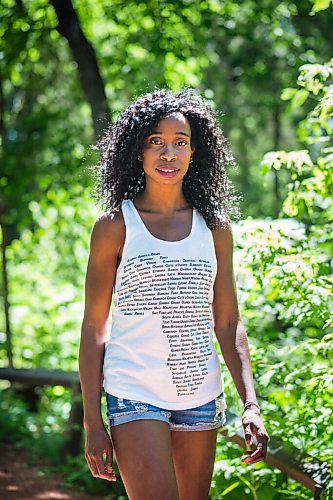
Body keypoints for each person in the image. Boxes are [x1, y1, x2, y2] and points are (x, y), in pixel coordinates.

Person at [79, 88, 269, 499]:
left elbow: (228, 321)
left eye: (180, 142)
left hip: (200, 397)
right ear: (138, 152)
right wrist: (93, 422)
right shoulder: (115, 225)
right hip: (134, 393)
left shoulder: (215, 227)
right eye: (156, 142)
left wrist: (250, 403)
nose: (169, 153)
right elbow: (94, 327)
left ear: (194, 152)